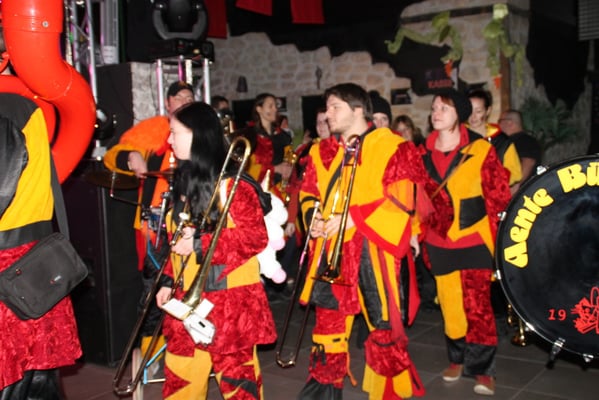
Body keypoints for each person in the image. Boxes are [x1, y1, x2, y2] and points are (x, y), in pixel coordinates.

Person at [297, 83, 428, 399]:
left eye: (335, 107)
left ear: (358, 110)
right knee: (327, 327)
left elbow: (402, 199)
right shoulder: (320, 151)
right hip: (332, 250)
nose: (328, 114)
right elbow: (309, 193)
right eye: (327, 107)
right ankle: (324, 393)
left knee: (383, 327)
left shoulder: (392, 146)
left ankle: (388, 393)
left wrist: (353, 218)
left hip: (373, 249)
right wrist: (314, 219)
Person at [155, 101, 276, 399]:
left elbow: (254, 238)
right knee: (180, 382)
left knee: (239, 386)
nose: (169, 140)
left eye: (175, 132)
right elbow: (178, 243)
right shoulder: (185, 183)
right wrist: (168, 280)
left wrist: (200, 243)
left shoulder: (234, 185)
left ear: (198, 135)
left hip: (230, 306)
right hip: (186, 301)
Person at [419, 89, 511, 396]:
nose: (436, 113)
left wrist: (499, 239)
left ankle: (483, 370)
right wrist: (417, 233)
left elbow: (498, 195)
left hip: (473, 238)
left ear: (459, 113)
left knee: (478, 306)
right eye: (434, 108)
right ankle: (457, 359)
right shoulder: (421, 153)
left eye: (443, 108)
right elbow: (416, 197)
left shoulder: (480, 149)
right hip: (438, 240)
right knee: (450, 304)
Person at [103, 80, 194, 357]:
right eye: (179, 97)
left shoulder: (199, 130)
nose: (185, 101)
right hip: (155, 224)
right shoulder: (155, 127)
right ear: (168, 103)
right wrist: (132, 156)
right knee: (154, 288)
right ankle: (149, 353)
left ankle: (187, 345)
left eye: (189, 97)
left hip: (192, 222)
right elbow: (112, 156)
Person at [0, 92, 82, 397]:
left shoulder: (7, 110)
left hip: (10, 267)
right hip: (31, 263)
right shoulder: (21, 108)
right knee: (37, 377)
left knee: (17, 377)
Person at [467, 89, 522, 192]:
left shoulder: (501, 141)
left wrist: (492, 177)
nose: (473, 116)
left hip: (492, 196)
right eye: (470, 110)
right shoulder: (458, 138)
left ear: (488, 111)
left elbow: (515, 174)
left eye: (478, 111)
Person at [498, 109, 542, 185]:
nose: (498, 124)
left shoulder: (525, 141)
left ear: (509, 123)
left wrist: (516, 185)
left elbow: (528, 162)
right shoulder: (509, 141)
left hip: (523, 189)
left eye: (500, 121)